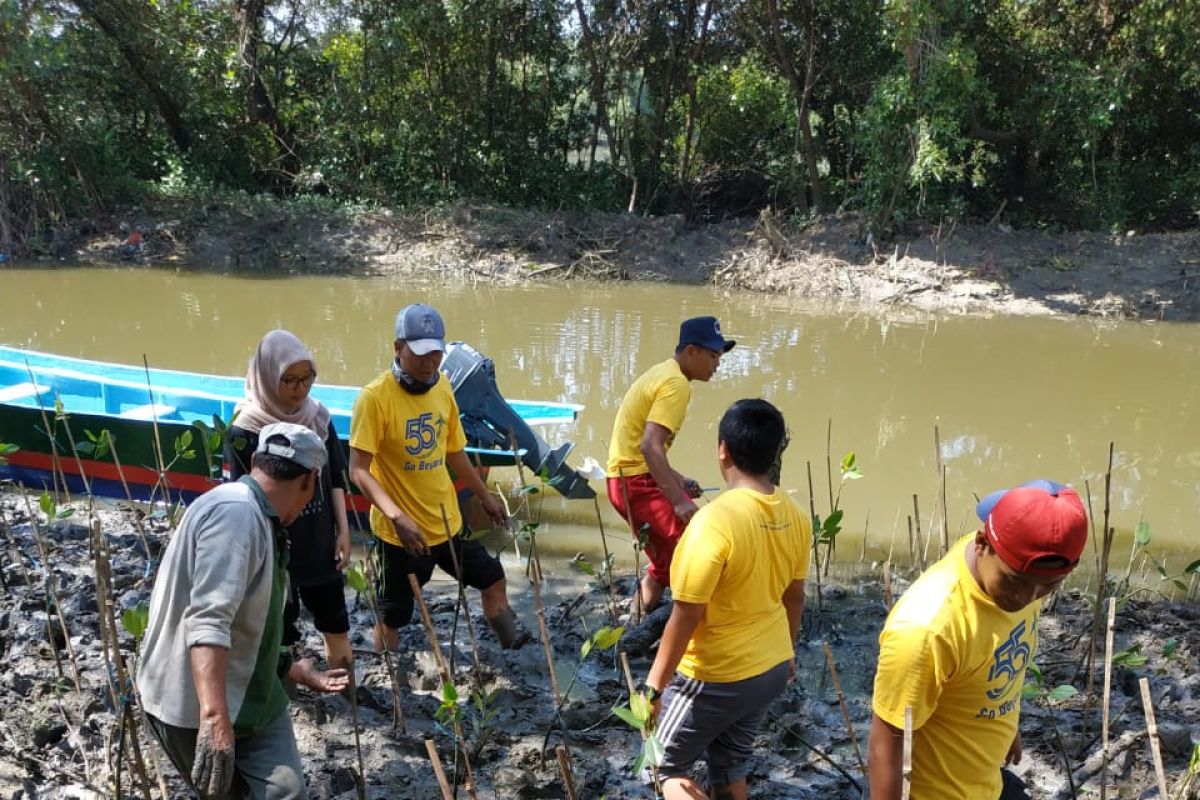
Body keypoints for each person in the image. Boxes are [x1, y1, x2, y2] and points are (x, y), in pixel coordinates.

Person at [139, 423, 345, 799]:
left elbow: (248, 618)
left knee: (287, 792)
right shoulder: (237, 516)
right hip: (194, 704)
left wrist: (288, 665)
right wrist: (215, 720)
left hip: (253, 693)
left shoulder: (260, 518)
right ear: (311, 480)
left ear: (254, 462)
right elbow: (208, 621)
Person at [867, 480, 1088, 800]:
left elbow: (997, 654)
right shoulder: (926, 631)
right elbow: (886, 742)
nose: (1027, 598)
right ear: (983, 543)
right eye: (1016, 581)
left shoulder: (1021, 572)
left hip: (984, 780)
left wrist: (1006, 724)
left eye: (1048, 588)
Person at [640, 398, 810, 800]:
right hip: (768, 668)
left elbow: (686, 616)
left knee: (660, 765)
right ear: (774, 454)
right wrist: (787, 651)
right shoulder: (796, 516)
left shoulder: (712, 523)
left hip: (718, 674)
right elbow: (795, 597)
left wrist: (653, 687)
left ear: (723, 450)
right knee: (730, 762)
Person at [348, 302, 521, 652]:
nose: (429, 363)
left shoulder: (442, 387)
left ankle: (513, 646)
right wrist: (396, 517)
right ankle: (389, 676)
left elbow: (454, 451)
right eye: (420, 354)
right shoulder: (374, 399)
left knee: (493, 580)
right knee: (393, 615)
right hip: (401, 535)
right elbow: (358, 470)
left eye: (436, 354)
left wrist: (486, 498)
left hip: (447, 522)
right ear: (398, 348)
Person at [225, 329, 354, 673]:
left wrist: (343, 530)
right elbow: (242, 496)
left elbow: (336, 478)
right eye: (290, 380)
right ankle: (287, 697)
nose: (300, 389)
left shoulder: (318, 418)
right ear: (268, 378)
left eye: (307, 378)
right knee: (279, 634)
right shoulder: (245, 432)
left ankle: (347, 691)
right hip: (273, 551)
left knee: (336, 624)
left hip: (319, 538)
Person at [606, 315, 736, 612]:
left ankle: (634, 627)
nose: (717, 363)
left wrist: (676, 479)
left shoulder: (662, 372)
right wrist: (678, 501)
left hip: (625, 479)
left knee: (666, 563)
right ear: (691, 351)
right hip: (634, 483)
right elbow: (649, 446)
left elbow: (643, 448)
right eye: (713, 355)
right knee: (697, 551)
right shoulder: (677, 384)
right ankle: (702, 631)